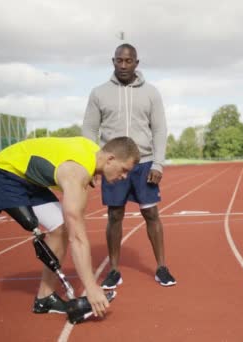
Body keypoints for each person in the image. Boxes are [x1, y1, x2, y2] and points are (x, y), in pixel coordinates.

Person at [0, 136, 140, 319]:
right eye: (124, 170)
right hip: (4, 174)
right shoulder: (76, 173)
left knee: (61, 227)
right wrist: (91, 287)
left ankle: (44, 298)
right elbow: (78, 238)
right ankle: (46, 296)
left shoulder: (93, 153)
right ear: (110, 159)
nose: (124, 177)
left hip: (29, 180)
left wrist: (91, 174)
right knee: (68, 227)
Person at [82, 43, 176, 289]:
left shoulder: (151, 93)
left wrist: (158, 163)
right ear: (113, 61)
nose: (123, 65)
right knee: (114, 215)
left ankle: (162, 267)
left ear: (136, 63)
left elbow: (159, 129)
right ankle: (113, 270)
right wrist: (91, 165)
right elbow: (90, 130)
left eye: (128, 61)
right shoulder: (98, 93)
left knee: (151, 214)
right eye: (119, 61)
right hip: (113, 165)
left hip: (144, 163)